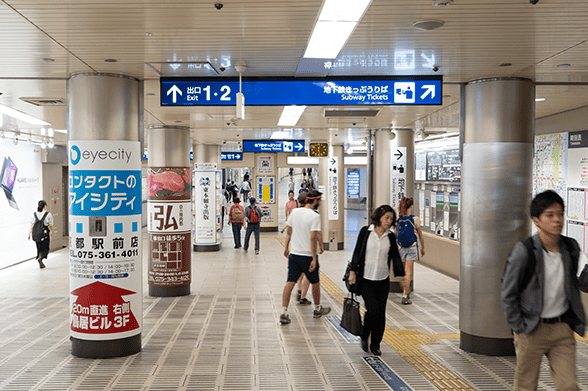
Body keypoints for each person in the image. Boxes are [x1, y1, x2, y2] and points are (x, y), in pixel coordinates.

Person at [501, 190, 588, 391]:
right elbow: (508, 292)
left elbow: (580, 282)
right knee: (526, 385)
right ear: (536, 220)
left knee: (569, 386)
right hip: (532, 329)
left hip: (562, 329)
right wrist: (519, 327)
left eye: (560, 214)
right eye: (550, 215)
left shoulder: (570, 247)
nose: (557, 220)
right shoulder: (524, 251)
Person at [348, 205, 404, 356]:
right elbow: (357, 252)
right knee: (373, 310)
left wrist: (402, 277)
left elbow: (395, 257)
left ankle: (376, 344)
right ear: (379, 216)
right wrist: (352, 271)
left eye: (391, 219)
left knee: (380, 313)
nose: (389, 221)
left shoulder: (390, 236)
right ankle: (365, 334)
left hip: (382, 280)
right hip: (366, 279)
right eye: (386, 217)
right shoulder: (366, 232)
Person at [280, 190, 330, 324]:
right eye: (319, 200)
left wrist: (286, 248)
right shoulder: (314, 216)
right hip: (307, 256)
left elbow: (289, 232)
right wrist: (314, 258)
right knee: (315, 283)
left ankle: (284, 312)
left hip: (294, 255)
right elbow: (313, 237)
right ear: (314, 200)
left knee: (290, 283)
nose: (319, 203)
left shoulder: (294, 212)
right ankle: (317, 308)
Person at [395, 197, 425, 305]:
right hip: (412, 247)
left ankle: (405, 290)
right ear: (411, 207)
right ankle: (405, 295)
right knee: (408, 272)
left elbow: (395, 234)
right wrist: (423, 247)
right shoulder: (415, 219)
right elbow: (421, 235)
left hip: (401, 248)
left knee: (404, 272)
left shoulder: (399, 219)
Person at [28, 200, 54, 269]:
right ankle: (41, 258)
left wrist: (29, 234)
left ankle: (39, 257)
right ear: (44, 206)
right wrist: (52, 232)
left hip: (36, 233)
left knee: (38, 246)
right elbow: (51, 225)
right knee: (45, 247)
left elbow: (32, 225)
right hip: (44, 233)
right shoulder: (48, 214)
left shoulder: (34, 214)